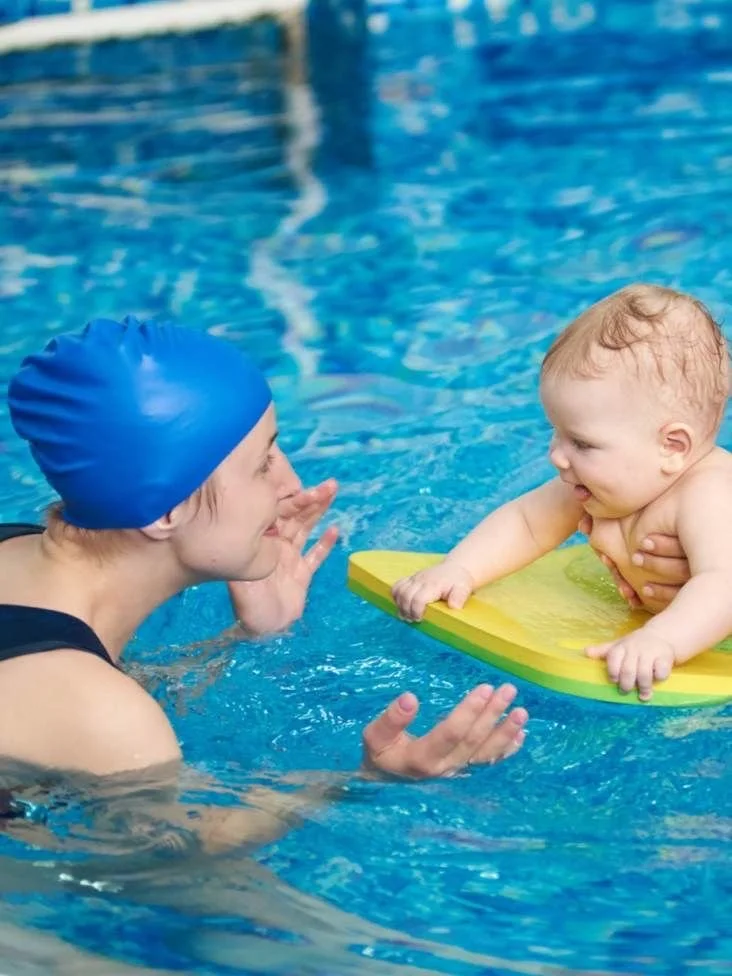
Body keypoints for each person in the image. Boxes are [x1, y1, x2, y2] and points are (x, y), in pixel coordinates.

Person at [0, 315, 528, 845]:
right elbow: (174, 865)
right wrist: (368, 780)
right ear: (163, 510)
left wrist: (242, 639)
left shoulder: (16, 549)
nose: (291, 482)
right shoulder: (102, 714)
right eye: (262, 464)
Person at [393, 284, 732, 702]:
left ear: (672, 447)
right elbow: (527, 522)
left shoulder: (709, 493)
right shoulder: (603, 483)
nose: (556, 456)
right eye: (557, 433)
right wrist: (458, 570)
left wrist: (662, 639)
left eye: (581, 443)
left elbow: (724, 581)